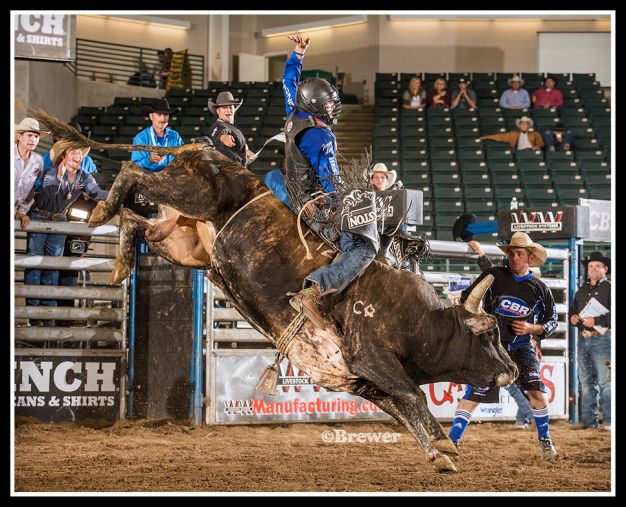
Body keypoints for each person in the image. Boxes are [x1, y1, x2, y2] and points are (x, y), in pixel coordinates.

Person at [281, 33, 377, 329]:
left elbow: (288, 82)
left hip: (291, 192)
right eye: (330, 105)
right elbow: (331, 180)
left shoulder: (293, 112)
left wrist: (298, 54)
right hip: (312, 204)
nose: (333, 108)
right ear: (319, 106)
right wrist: (342, 204)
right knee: (364, 248)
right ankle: (317, 288)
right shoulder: (322, 136)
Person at [448, 232, 559, 460]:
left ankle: (545, 439)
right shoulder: (494, 275)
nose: (514, 258)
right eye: (511, 253)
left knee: (537, 391)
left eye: (519, 254)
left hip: (521, 346)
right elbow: (469, 298)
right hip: (490, 346)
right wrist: (480, 319)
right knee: (473, 392)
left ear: (530, 257)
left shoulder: (540, 288)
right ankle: (452, 440)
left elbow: (552, 320)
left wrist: (531, 328)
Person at [24, 141, 109, 326]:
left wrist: (117, 195)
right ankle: (34, 311)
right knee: (35, 263)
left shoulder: (84, 177)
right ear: (64, 156)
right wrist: (61, 176)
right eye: (74, 153)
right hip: (40, 218)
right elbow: (47, 193)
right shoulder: (50, 173)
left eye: (80, 153)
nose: (78, 156)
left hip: (59, 221)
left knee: (53, 265)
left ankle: (49, 311)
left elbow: (97, 193)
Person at [467, 239, 535, 429]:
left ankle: (527, 416)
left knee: (513, 382)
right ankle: (524, 418)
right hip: (514, 339)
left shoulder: (529, 287)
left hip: (512, 339)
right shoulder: (528, 285)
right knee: (516, 382)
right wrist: (481, 253)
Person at [569, 251, 611, 431]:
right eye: (590, 266)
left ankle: (608, 422)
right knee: (586, 382)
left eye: (597, 266)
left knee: (605, 382)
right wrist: (573, 318)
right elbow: (573, 310)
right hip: (584, 338)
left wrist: (598, 321)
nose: (593, 269)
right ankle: (589, 421)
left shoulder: (610, 288)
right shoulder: (582, 289)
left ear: (605, 269)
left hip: (602, 338)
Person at [15, 117, 49, 230]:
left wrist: (22, 211)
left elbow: (32, 188)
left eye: (36, 136)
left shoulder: (38, 161)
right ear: (19, 136)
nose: (33, 139)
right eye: (29, 135)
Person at [131, 98, 184, 173]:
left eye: (166, 115)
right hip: (147, 181)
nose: (163, 119)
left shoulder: (175, 136)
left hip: (171, 180)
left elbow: (183, 159)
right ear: (151, 116)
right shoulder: (141, 138)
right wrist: (149, 160)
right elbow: (134, 167)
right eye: (159, 114)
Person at [208, 91, 255, 166]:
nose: (228, 110)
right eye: (224, 107)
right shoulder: (218, 125)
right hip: (228, 172)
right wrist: (223, 138)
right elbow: (218, 133)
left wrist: (247, 154)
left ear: (234, 110)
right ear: (218, 111)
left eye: (230, 107)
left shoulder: (234, 129)